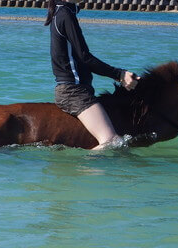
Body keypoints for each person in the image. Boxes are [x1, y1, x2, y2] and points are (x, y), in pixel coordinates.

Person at [45, 0, 139, 150]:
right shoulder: (65, 14)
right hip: (73, 92)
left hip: (74, 89)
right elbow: (85, 57)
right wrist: (119, 74)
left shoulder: (61, 12)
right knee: (111, 141)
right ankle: (84, 170)